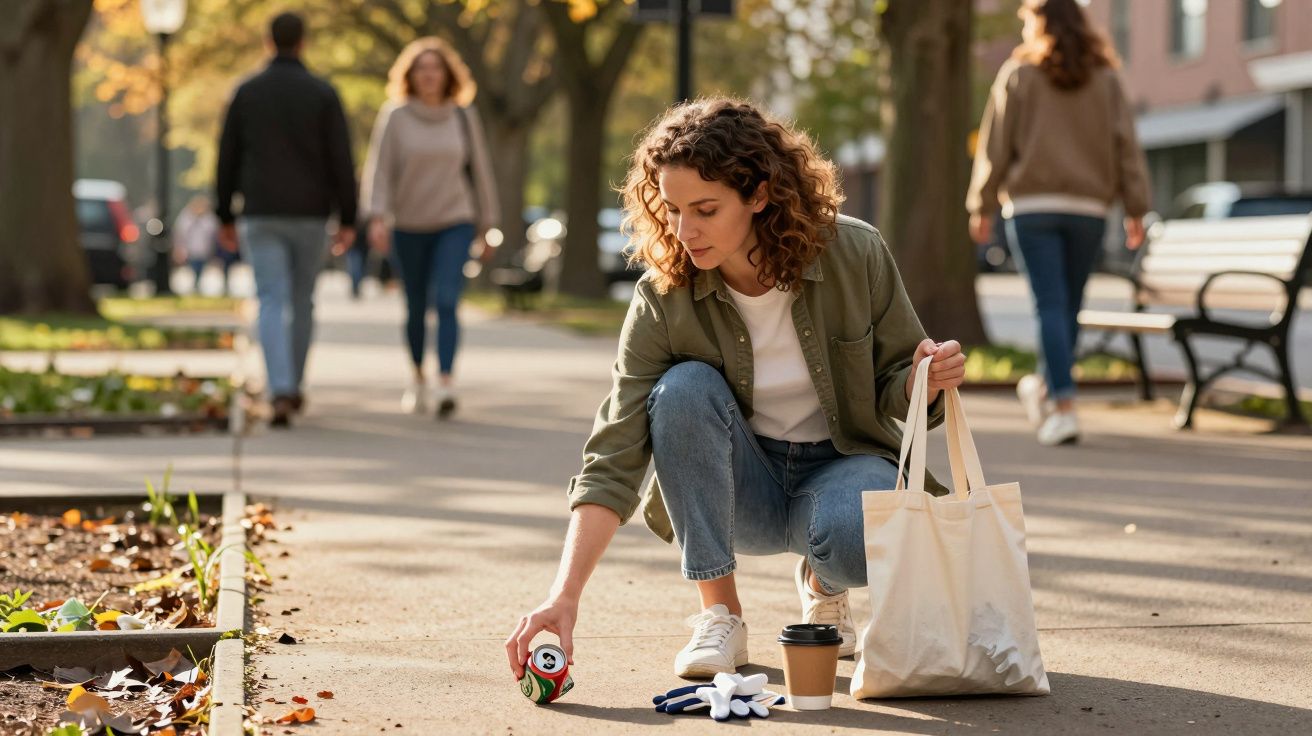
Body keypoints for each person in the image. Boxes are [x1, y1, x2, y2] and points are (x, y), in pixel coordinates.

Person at [505, 98, 966, 682]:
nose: (683, 230)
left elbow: (897, 382)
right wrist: (563, 595)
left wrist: (926, 380)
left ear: (759, 194)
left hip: (842, 469)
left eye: (705, 209)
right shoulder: (663, 295)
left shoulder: (855, 252)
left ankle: (825, 582)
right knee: (682, 390)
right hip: (736, 490)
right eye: (672, 209)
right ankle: (720, 613)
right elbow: (613, 452)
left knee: (859, 534)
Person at [966, 0, 1150, 446]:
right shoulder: (1105, 79)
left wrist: (982, 204)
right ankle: (1049, 391)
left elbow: (995, 144)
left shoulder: (1019, 74)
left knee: (1051, 305)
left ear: (1038, 23)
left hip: (1032, 207)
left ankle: (1060, 403)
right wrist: (1135, 207)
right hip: (1089, 210)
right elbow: (1126, 145)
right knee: (1067, 307)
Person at [215, 12, 357, 428]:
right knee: (302, 300)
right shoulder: (323, 93)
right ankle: (292, 384)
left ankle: (279, 387)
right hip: (311, 213)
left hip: (260, 211)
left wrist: (224, 212)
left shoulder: (247, 92)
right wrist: (348, 216)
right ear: (303, 42)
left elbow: (228, 156)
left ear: (268, 41)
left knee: (270, 298)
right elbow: (341, 159)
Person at [360, 37, 500, 419]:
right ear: (410, 75)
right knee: (416, 305)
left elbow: (480, 172)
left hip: (455, 220)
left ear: (447, 74)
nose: (428, 75)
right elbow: (380, 169)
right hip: (407, 223)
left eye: (435, 68)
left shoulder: (462, 115)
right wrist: (377, 217)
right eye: (421, 69)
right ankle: (418, 376)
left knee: (447, 300)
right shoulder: (396, 115)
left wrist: (487, 224)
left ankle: (445, 382)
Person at [172, 195, 218, 293]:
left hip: (203, 249)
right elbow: (180, 233)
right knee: (195, 267)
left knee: (199, 267)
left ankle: (196, 284)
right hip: (190, 249)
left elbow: (212, 232)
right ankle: (196, 284)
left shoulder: (209, 218)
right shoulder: (186, 217)